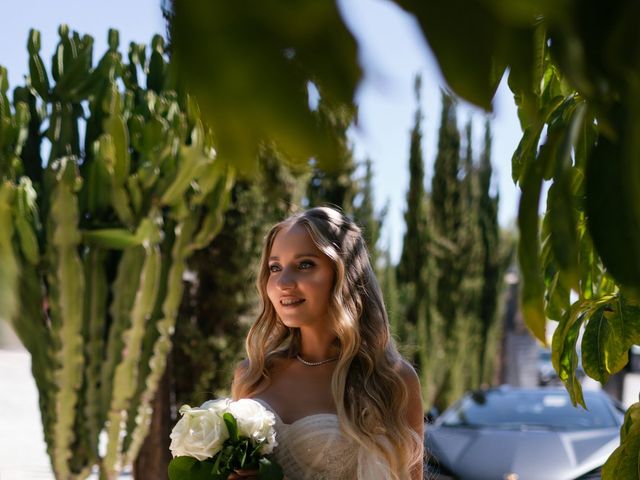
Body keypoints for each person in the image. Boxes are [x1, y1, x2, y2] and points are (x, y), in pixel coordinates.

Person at [230, 206, 424, 480]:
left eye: (305, 264)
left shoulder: (392, 380)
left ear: (343, 274)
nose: (283, 282)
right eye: (275, 267)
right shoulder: (251, 375)